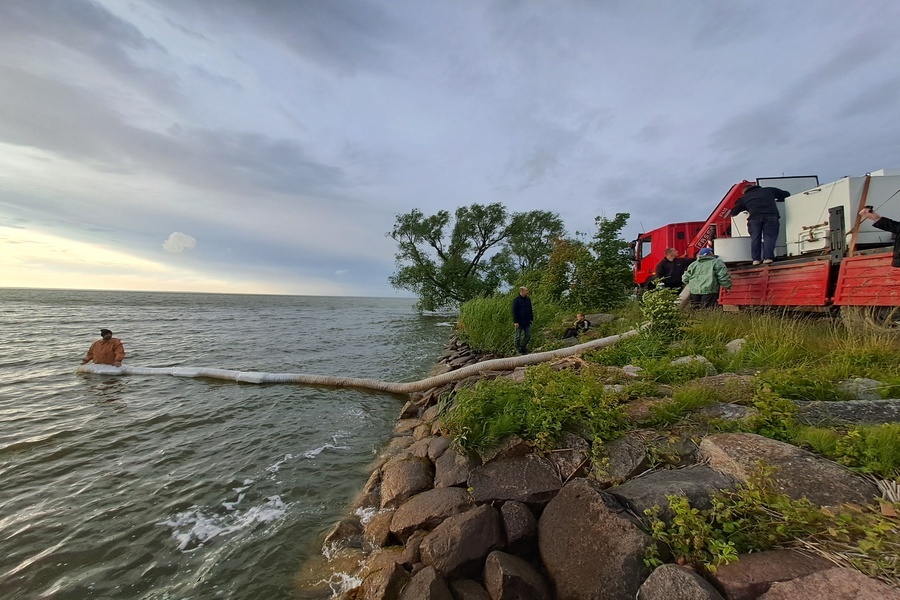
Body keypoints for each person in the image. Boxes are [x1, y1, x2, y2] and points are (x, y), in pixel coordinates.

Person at [731, 184, 790, 265]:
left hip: (754, 219)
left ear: (744, 192)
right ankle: (768, 258)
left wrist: (746, 207)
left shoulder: (743, 198)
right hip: (771, 216)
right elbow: (786, 194)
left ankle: (756, 260)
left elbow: (734, 213)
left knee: (755, 239)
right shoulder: (769, 190)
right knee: (769, 237)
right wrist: (777, 200)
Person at [512, 286, 534, 354]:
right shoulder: (517, 300)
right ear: (522, 291)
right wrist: (515, 321)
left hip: (527, 321)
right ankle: (517, 349)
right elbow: (514, 311)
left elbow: (530, 309)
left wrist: (531, 318)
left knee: (528, 335)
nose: (527, 292)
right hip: (519, 322)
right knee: (517, 336)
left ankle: (522, 347)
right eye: (526, 290)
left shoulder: (528, 299)